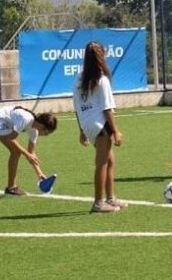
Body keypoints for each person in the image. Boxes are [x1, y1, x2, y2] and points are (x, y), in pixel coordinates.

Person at [73, 41, 126, 213]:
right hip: (101, 125)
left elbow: (77, 106)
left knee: (110, 160)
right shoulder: (102, 80)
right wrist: (116, 131)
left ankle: (111, 199)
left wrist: (82, 130)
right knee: (102, 163)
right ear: (101, 56)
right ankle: (98, 203)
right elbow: (107, 109)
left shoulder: (79, 79)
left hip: (88, 125)